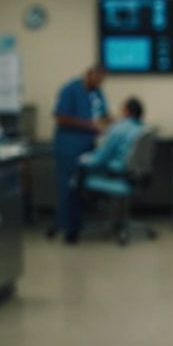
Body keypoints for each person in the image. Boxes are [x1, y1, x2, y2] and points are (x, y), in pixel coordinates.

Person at [51, 65, 109, 244]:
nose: (99, 84)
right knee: (69, 187)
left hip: (88, 146)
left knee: (83, 189)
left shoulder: (97, 93)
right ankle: (68, 229)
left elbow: (103, 114)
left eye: (102, 82)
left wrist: (109, 121)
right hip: (69, 146)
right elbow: (61, 117)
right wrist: (89, 125)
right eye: (97, 80)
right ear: (89, 75)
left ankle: (77, 223)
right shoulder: (70, 90)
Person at [78, 97, 145, 178]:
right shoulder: (142, 129)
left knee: (81, 162)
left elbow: (101, 158)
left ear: (126, 111)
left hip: (116, 171)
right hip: (133, 173)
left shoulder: (119, 129)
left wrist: (83, 159)